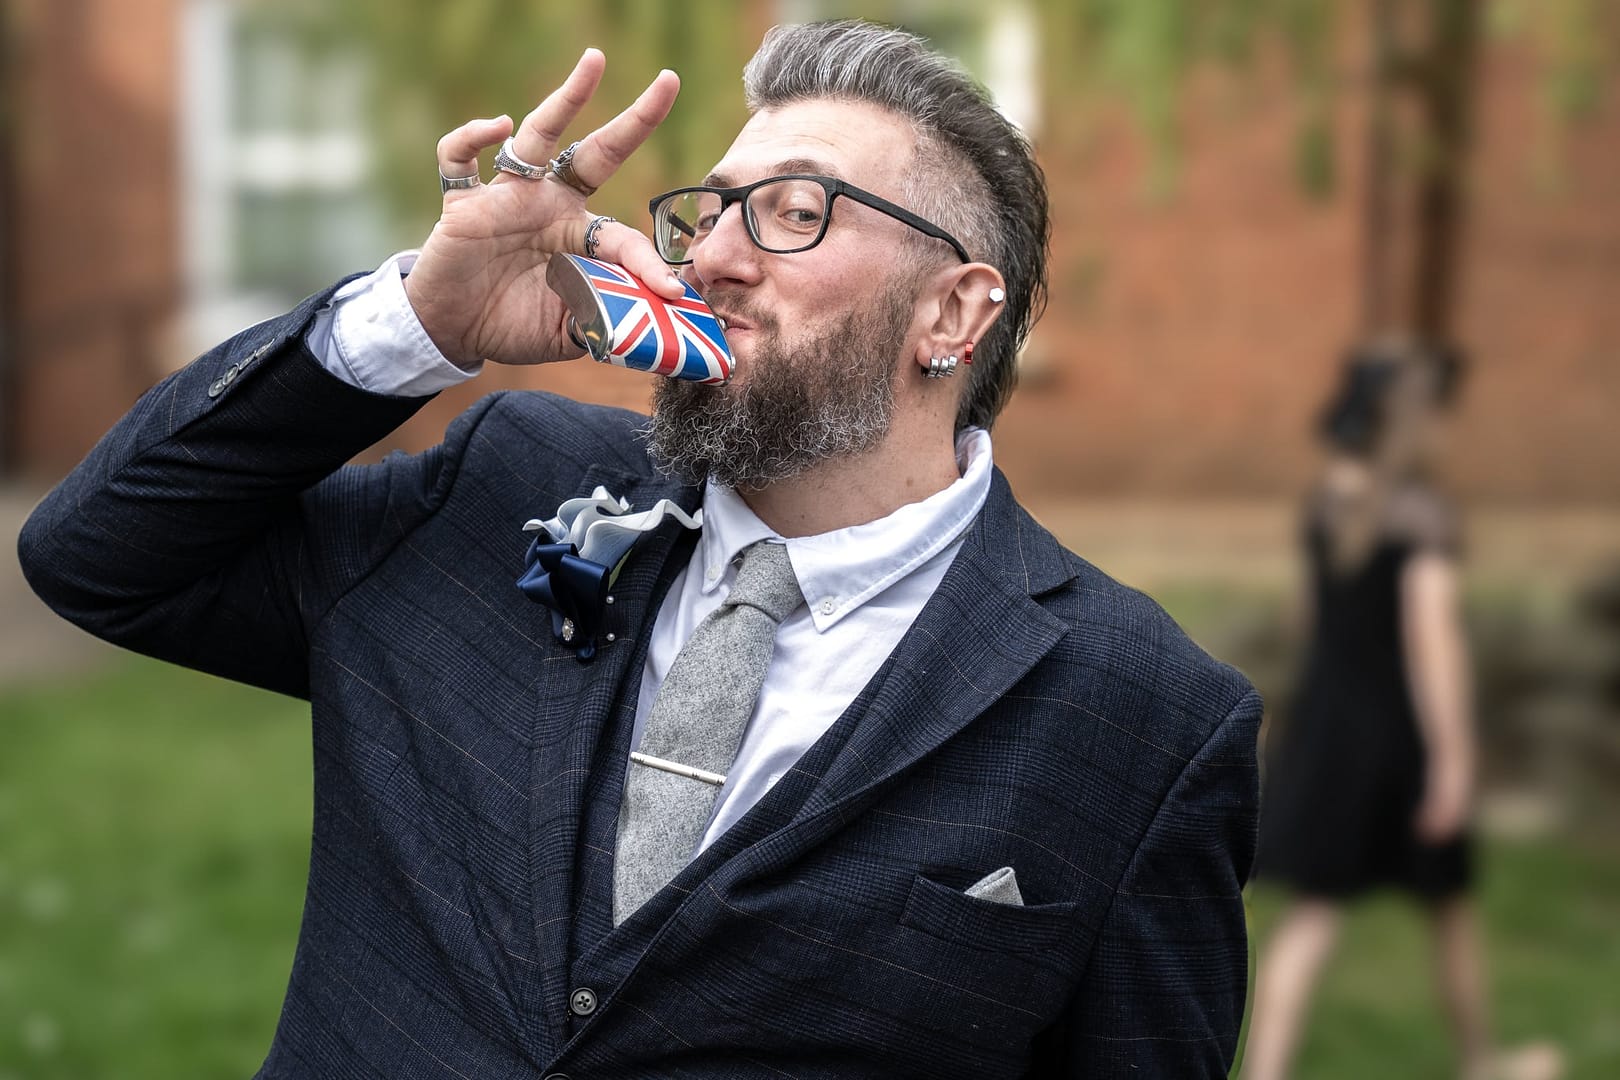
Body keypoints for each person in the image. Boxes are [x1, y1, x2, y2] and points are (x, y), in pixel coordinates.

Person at [20, 20, 1261, 1079]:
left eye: (791, 212)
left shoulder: (1141, 719)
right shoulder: (503, 481)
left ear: (950, 310)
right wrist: (419, 324)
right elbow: (105, 557)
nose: (711, 257)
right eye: (709, 211)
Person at [1243, 343, 1496, 1079]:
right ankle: (1482, 1061)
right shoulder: (1420, 518)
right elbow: (1434, 646)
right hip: (1397, 743)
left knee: (1313, 917)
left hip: (1329, 733)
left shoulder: (1328, 500)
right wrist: (1452, 762)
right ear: (1415, 424)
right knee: (1448, 909)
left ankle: (1265, 1073)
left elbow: (1307, 623)